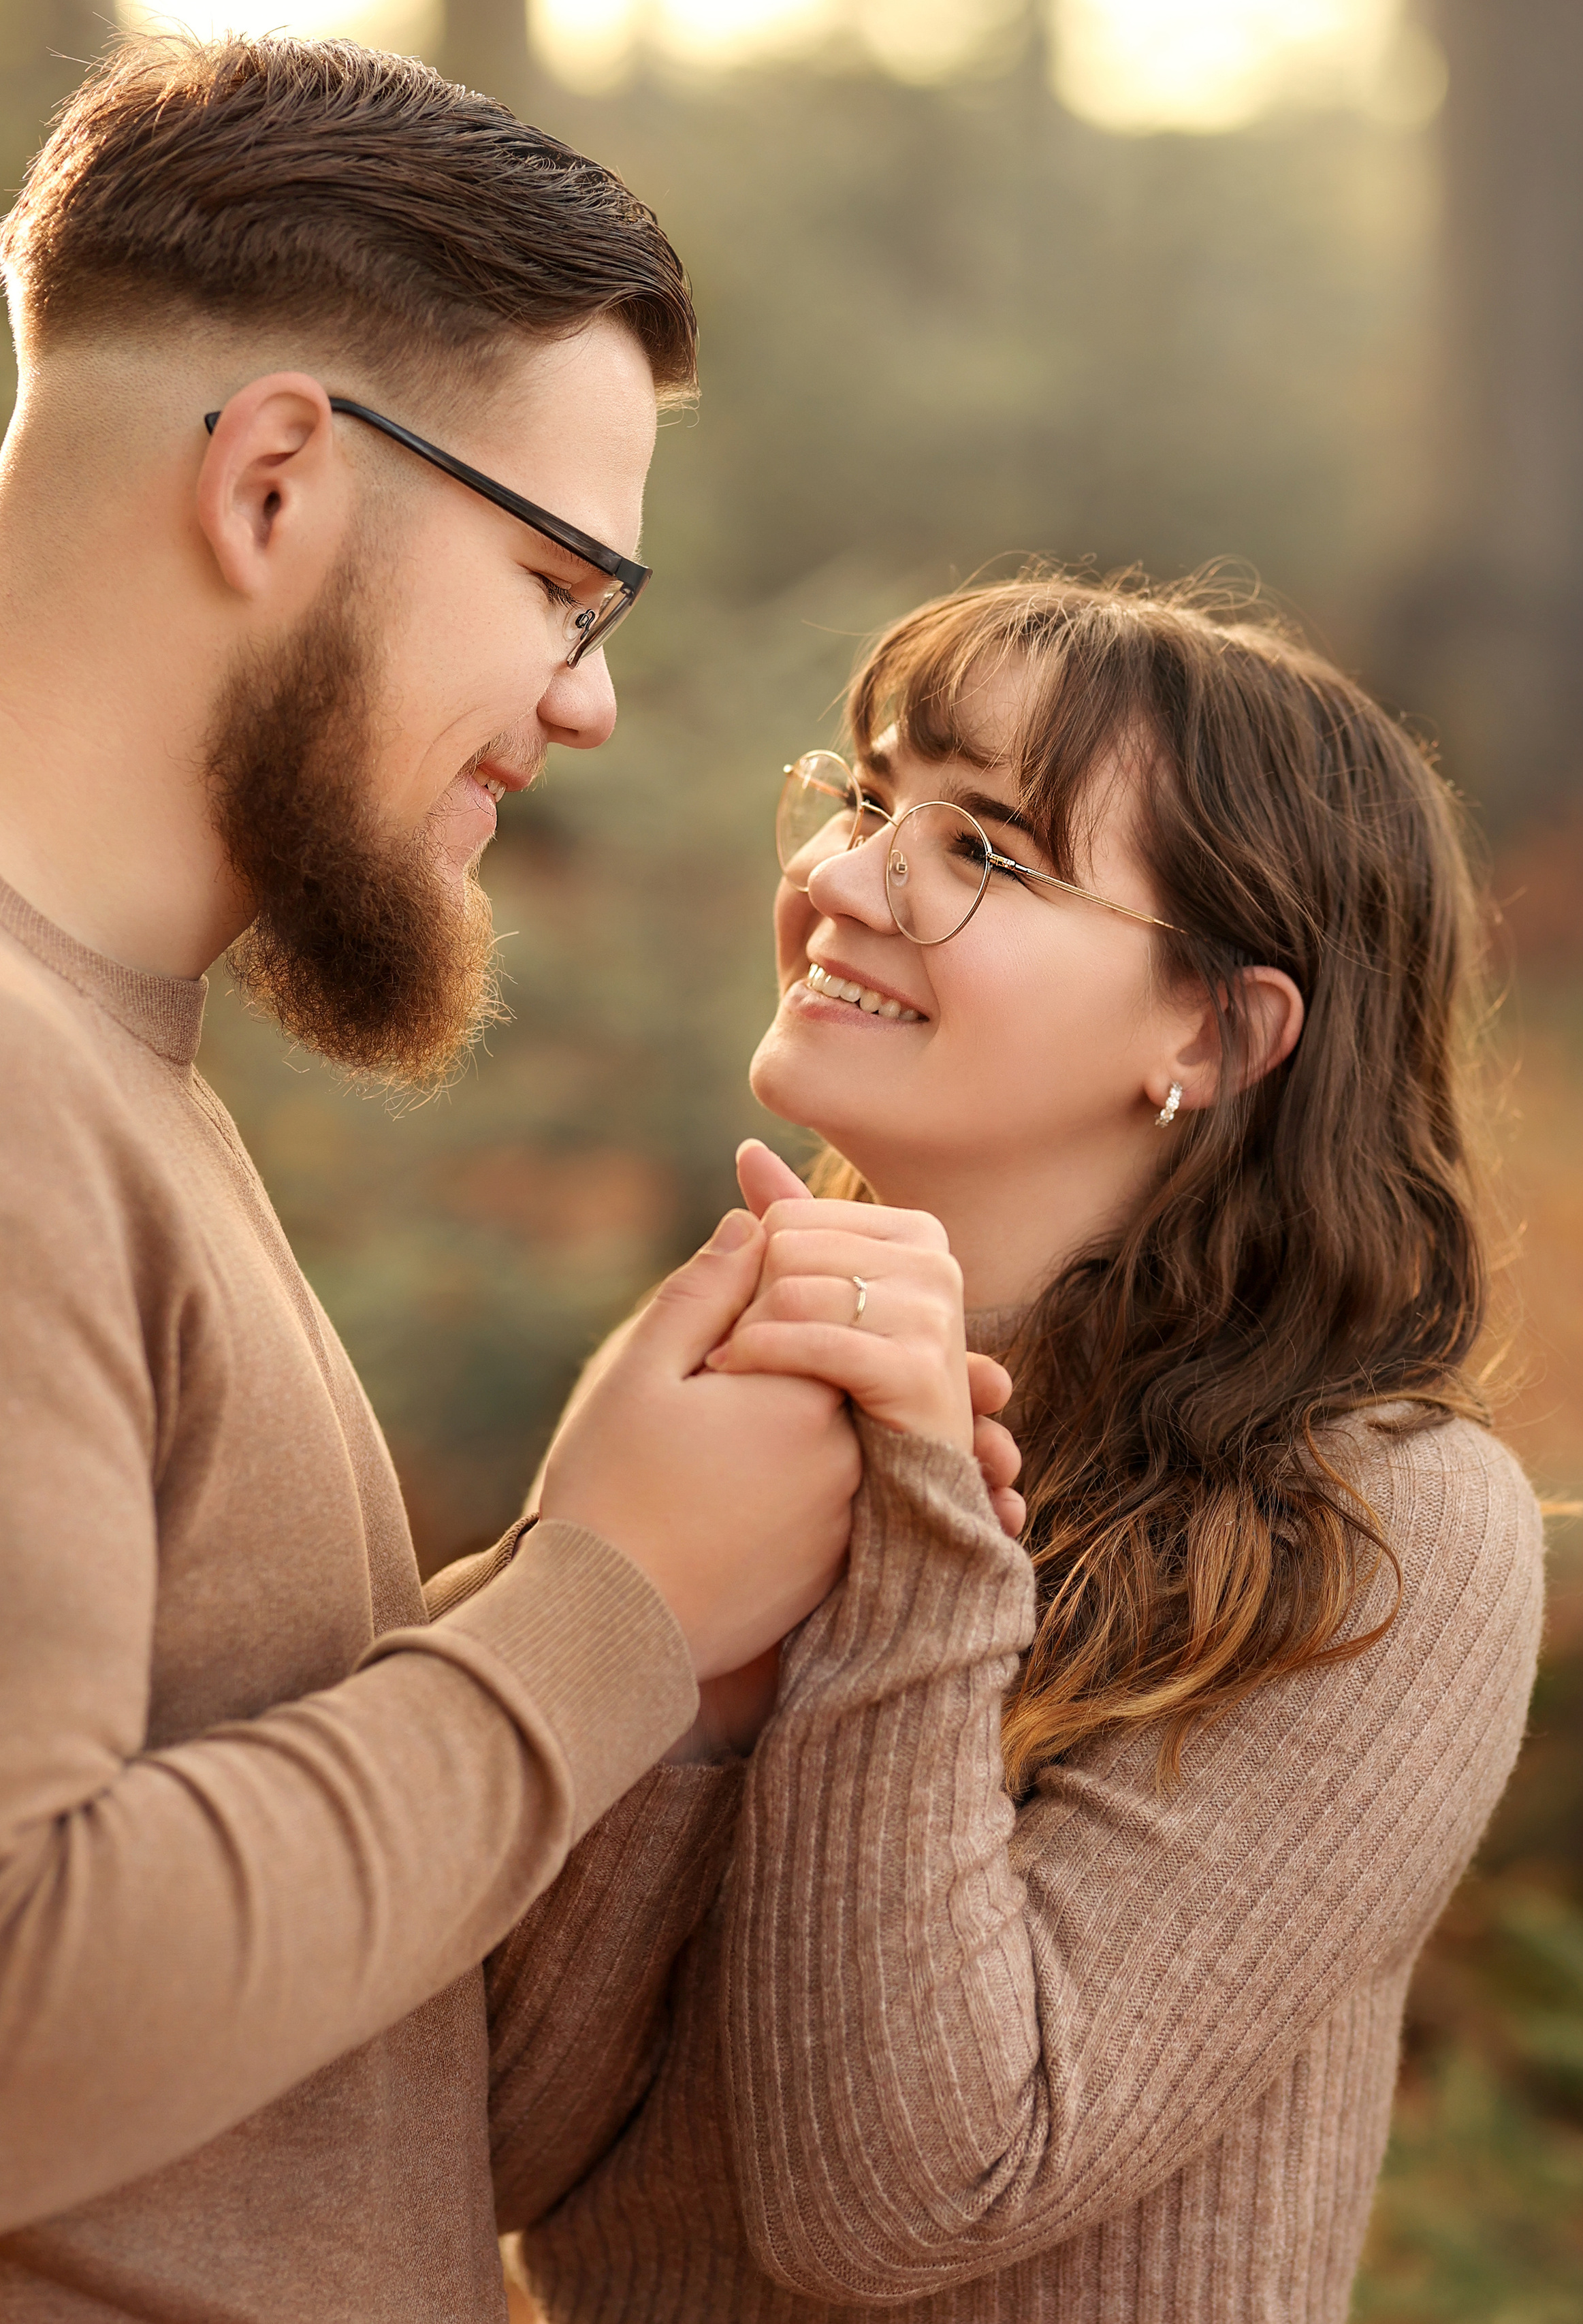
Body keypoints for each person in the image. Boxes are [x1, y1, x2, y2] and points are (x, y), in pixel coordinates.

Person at [0, 35, 1018, 2321]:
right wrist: (607, 1603)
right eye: (560, 581)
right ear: (272, 480)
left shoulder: (101, 1073)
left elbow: (251, 1990)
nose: (587, 703)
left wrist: (642, 1604)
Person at [486, 572, 1546, 2323]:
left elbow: (904, 2200)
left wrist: (907, 1570)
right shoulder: (735, 1401)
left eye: (980, 848)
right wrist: (682, 1680)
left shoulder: (1380, 1529)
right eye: (864, 801)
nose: (833, 880)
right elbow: (480, 2143)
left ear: (1214, 1030)